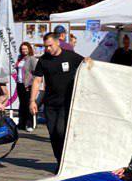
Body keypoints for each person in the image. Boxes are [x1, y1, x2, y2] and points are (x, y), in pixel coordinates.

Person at [30, 31, 83, 165]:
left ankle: (66, 160)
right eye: (45, 46)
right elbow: (37, 80)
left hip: (66, 102)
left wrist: (89, 61)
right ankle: (59, 160)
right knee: (53, 134)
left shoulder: (70, 56)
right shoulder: (43, 60)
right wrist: (32, 101)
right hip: (50, 103)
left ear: (58, 42)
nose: (48, 49)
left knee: (61, 131)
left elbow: (86, 63)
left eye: (50, 45)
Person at [15, 42, 37, 131]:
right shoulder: (20, 58)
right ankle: (21, 124)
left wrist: (31, 83)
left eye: (25, 49)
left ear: (29, 49)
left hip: (28, 85)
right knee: (22, 104)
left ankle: (30, 124)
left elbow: (36, 73)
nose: (24, 50)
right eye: (22, 49)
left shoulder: (31, 59)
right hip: (19, 83)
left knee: (29, 104)